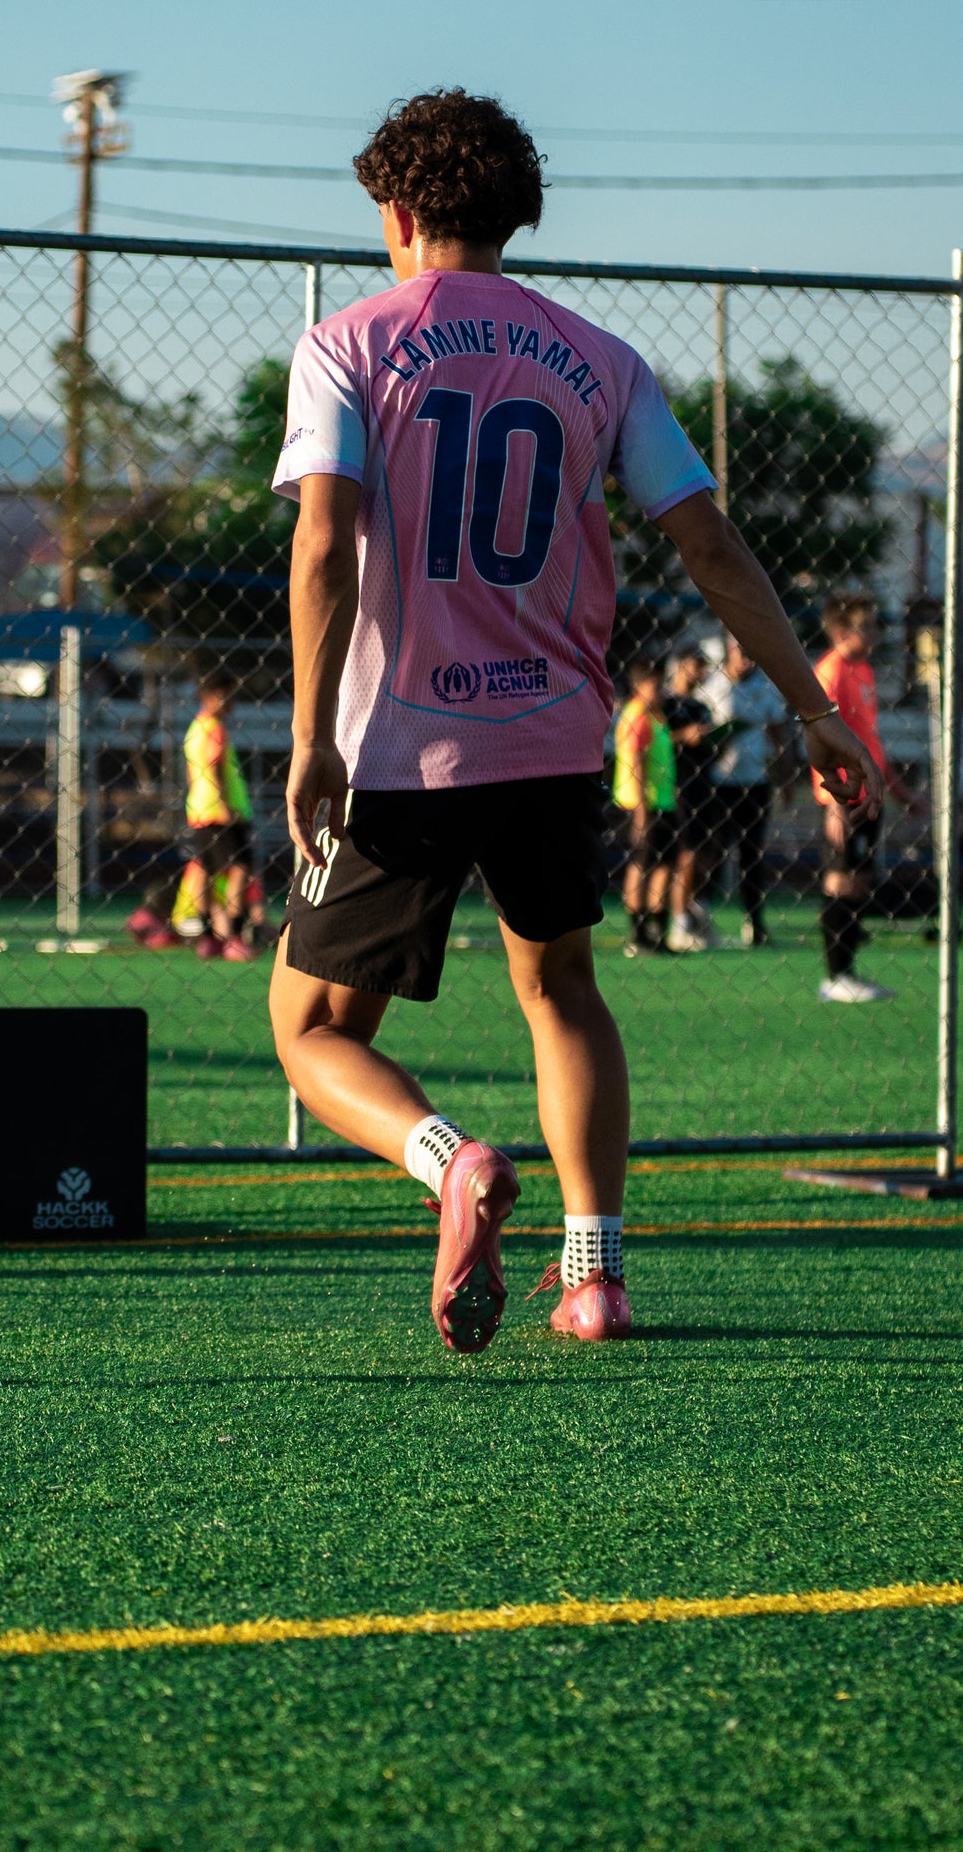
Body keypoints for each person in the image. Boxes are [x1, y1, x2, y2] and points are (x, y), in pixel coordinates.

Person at [267, 87, 880, 1354]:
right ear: (517, 215)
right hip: (551, 740)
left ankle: (448, 1159)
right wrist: (813, 708)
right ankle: (593, 1277)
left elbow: (323, 542)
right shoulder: (600, 358)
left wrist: (312, 734)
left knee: (314, 1029)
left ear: (395, 211)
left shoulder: (346, 344)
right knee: (561, 993)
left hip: (395, 746)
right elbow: (708, 545)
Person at [812, 595, 923, 1002]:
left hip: (867, 794)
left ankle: (848, 973)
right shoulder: (829, 672)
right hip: (843, 795)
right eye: (868, 625)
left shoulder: (863, 670)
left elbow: (869, 739)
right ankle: (834, 977)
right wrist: (834, 803)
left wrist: (900, 791)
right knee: (840, 880)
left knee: (859, 882)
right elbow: (821, 738)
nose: (875, 632)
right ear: (843, 631)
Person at [696, 636, 788, 948]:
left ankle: (754, 922)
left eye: (750, 652)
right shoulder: (712, 686)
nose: (746, 659)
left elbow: (778, 733)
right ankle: (699, 917)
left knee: (752, 854)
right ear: (728, 650)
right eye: (740, 651)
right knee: (714, 851)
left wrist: (785, 776)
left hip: (755, 782)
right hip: (720, 781)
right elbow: (699, 730)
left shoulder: (765, 686)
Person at [182, 674, 258, 962]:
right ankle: (235, 938)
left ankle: (208, 939)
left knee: (206, 870)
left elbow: (193, 774)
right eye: (229, 695)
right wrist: (225, 806)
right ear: (212, 696)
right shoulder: (215, 728)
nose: (232, 702)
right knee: (239, 869)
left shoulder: (194, 728)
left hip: (199, 810)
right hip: (222, 813)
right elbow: (213, 767)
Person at [613, 659, 681, 958]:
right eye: (654, 685)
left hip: (662, 802)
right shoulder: (638, 716)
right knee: (640, 865)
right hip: (642, 805)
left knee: (663, 865)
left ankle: (656, 931)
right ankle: (638, 933)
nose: (659, 690)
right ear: (638, 686)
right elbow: (636, 766)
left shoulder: (655, 715)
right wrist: (641, 813)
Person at [661, 647, 715, 951]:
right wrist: (685, 736)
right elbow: (656, 739)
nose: (702, 673)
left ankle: (695, 917)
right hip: (674, 787)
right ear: (681, 666)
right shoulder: (665, 703)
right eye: (697, 665)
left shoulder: (701, 706)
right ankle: (678, 923)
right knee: (684, 855)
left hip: (702, 786)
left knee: (704, 854)